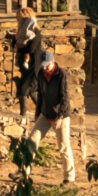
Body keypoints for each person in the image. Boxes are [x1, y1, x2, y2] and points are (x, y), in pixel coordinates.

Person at [24, 50, 76, 182]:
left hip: (61, 115)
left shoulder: (61, 75)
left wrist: (60, 117)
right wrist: (38, 114)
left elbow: (65, 98)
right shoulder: (41, 73)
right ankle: (24, 172)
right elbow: (41, 94)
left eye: (47, 65)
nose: (45, 67)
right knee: (31, 140)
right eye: (43, 65)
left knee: (64, 146)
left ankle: (69, 178)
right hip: (45, 113)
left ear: (53, 61)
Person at [13, 5, 42, 126]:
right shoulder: (21, 32)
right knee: (29, 91)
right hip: (25, 66)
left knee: (24, 89)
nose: (18, 20)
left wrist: (21, 44)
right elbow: (17, 45)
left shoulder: (36, 32)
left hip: (33, 65)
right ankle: (42, 112)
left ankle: (24, 116)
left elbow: (31, 48)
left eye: (20, 18)